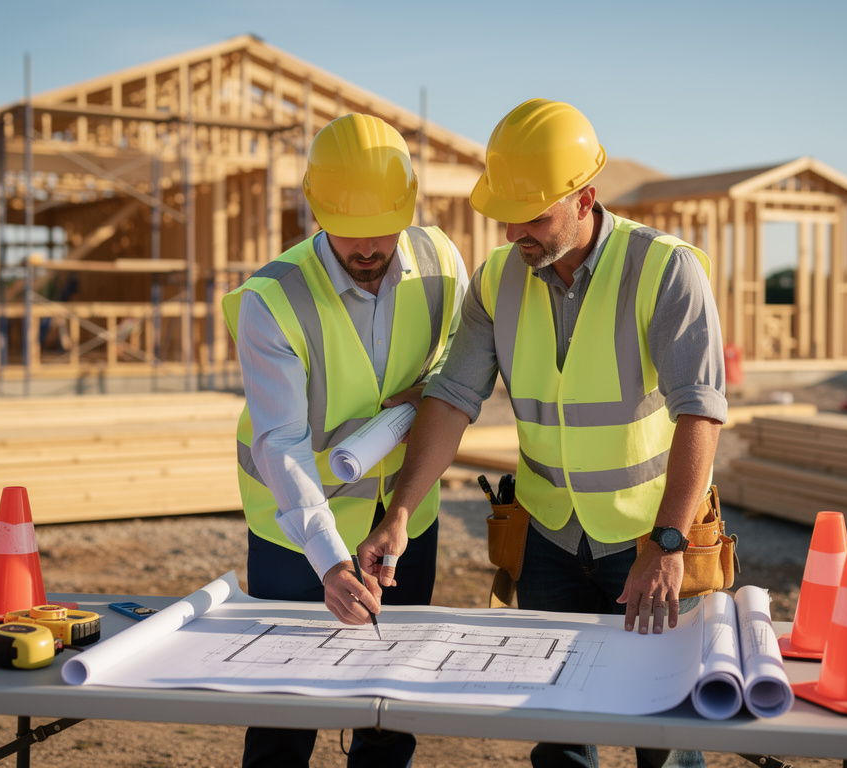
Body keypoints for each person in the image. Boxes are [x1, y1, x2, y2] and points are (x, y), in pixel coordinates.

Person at [359, 98, 726, 768]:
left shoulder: (666, 270)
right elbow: (450, 400)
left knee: (667, 734)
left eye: (534, 216)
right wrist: (399, 513)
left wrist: (668, 542)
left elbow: (699, 415)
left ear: (586, 198)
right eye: (505, 216)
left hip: (644, 538)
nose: (513, 234)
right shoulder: (499, 280)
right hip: (550, 539)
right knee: (559, 730)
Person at [221, 113, 468, 768]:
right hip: (295, 536)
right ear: (318, 213)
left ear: (407, 211)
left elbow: (460, 370)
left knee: (389, 707)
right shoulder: (273, 299)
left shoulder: (442, 262)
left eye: (382, 231)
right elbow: (281, 441)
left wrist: (424, 401)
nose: (366, 249)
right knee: (284, 711)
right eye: (347, 233)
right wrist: (329, 560)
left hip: (407, 522)